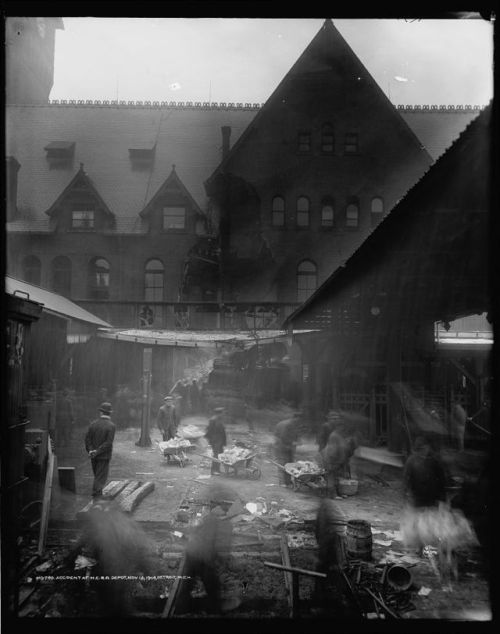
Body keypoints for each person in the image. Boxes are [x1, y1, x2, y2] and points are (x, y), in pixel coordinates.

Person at [175, 506, 233, 614]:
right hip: (204, 556)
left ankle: (180, 608)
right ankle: (214, 610)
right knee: (212, 585)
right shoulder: (226, 524)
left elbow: (193, 532)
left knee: (187, 583)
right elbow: (222, 547)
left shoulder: (207, 518)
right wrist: (222, 563)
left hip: (191, 552)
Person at [84, 402, 116, 499]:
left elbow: (87, 439)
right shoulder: (111, 426)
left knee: (97, 475)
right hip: (104, 456)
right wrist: (97, 451)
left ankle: (98, 494)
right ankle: (97, 496)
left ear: (101, 413)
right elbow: (108, 443)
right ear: (110, 413)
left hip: (93, 455)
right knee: (100, 476)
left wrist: (90, 451)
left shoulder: (93, 424)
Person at [320, 426, 347, 499]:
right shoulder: (334, 436)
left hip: (336, 460)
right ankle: (333, 495)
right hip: (331, 460)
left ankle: (338, 493)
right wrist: (333, 461)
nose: (344, 429)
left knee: (336, 477)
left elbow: (341, 448)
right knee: (331, 477)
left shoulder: (339, 435)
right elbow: (333, 450)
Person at [274, 415, 299, 486]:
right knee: (283, 464)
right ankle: (283, 482)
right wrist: (292, 442)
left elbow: (295, 436)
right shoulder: (288, 425)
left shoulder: (292, 425)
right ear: (294, 418)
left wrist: (295, 443)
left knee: (289, 464)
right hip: (282, 447)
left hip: (287, 447)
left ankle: (287, 481)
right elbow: (283, 437)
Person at [205, 407, 227, 475]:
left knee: (220, 454)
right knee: (216, 455)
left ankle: (218, 469)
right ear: (219, 413)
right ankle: (213, 470)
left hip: (220, 439)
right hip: (215, 440)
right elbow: (209, 430)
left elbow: (222, 430)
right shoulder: (213, 420)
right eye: (222, 413)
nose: (223, 414)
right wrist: (210, 440)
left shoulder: (219, 419)